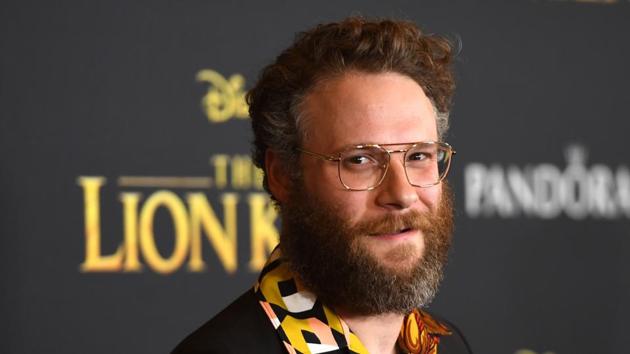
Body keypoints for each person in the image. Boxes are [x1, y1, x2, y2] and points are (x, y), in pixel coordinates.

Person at [173, 16, 472, 354]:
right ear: (284, 175)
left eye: (419, 156)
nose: (402, 194)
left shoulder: (448, 345)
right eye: (359, 160)